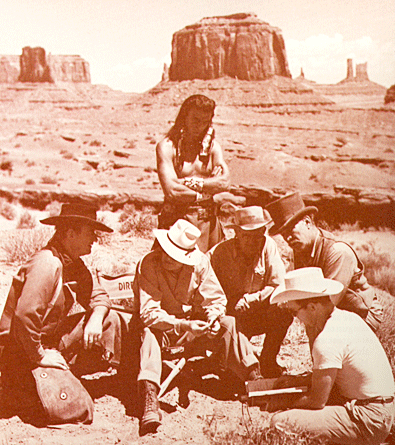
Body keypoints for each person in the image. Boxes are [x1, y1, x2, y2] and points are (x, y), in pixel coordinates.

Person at [133, 219, 263, 434]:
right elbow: (149, 314)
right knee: (148, 334)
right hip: (163, 328)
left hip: (192, 329)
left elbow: (216, 300)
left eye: (173, 256)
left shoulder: (200, 263)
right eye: (165, 251)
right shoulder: (148, 263)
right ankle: (150, 397)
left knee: (227, 322)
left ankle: (254, 380)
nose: (166, 258)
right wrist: (183, 325)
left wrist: (212, 318)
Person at [0, 203, 123, 425]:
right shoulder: (48, 263)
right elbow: (24, 316)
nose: (94, 239)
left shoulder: (73, 263)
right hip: (22, 353)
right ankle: (26, 389)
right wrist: (40, 355)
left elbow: (100, 295)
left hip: (52, 343)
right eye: (90, 232)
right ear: (70, 233)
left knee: (110, 320)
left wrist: (96, 318)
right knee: (80, 410)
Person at [269, 267, 395, 445]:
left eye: (294, 312)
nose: (295, 318)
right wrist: (295, 381)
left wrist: (283, 402)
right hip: (382, 411)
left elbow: (316, 400)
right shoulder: (346, 318)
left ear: (312, 307)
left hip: (368, 419)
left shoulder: (326, 339)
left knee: (280, 421)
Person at [265, 191, 383, 333]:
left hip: (362, 315)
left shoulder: (337, 251)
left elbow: (327, 304)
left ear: (307, 222)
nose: (288, 238)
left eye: (291, 230)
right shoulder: (301, 249)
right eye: (284, 235)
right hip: (334, 311)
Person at [208, 206, 293, 378]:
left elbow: (278, 284)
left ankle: (268, 362)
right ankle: (245, 368)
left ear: (264, 231)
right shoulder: (219, 252)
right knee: (229, 325)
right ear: (236, 233)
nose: (253, 241)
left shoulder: (269, 246)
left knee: (283, 312)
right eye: (247, 236)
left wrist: (250, 300)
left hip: (257, 310)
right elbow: (203, 280)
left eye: (258, 235)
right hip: (229, 314)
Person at [156, 94, 230, 252]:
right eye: (196, 120)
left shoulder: (213, 148)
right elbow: (172, 191)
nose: (200, 126)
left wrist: (188, 182)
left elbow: (224, 183)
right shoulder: (167, 147)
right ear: (184, 117)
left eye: (205, 122)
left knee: (213, 271)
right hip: (178, 222)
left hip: (209, 224)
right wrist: (208, 191)